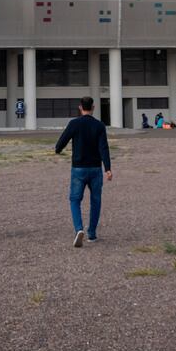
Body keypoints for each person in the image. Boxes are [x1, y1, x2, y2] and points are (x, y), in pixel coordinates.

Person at [54, 96, 112, 247]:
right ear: (93, 107)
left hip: (78, 168)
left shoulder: (74, 124)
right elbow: (104, 148)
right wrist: (108, 168)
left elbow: (62, 140)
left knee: (75, 200)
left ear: (80, 107)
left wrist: (58, 150)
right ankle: (91, 233)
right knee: (96, 200)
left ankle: (79, 229)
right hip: (95, 168)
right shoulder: (99, 126)